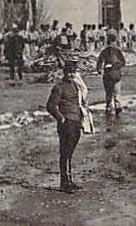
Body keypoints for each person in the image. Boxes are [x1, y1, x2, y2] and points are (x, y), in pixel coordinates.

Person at [47, 61, 85, 192]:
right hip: (66, 123)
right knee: (65, 152)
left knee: (70, 152)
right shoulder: (59, 87)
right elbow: (51, 106)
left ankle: (69, 179)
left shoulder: (75, 85)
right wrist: (61, 118)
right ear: (64, 72)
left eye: (73, 72)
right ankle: (64, 182)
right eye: (69, 72)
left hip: (76, 122)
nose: (71, 74)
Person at [96, 33, 126, 116]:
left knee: (111, 93)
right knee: (115, 93)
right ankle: (115, 106)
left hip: (110, 75)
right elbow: (123, 62)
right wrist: (116, 66)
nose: (111, 44)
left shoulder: (106, 51)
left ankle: (112, 107)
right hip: (114, 75)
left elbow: (99, 62)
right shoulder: (116, 51)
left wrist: (100, 69)